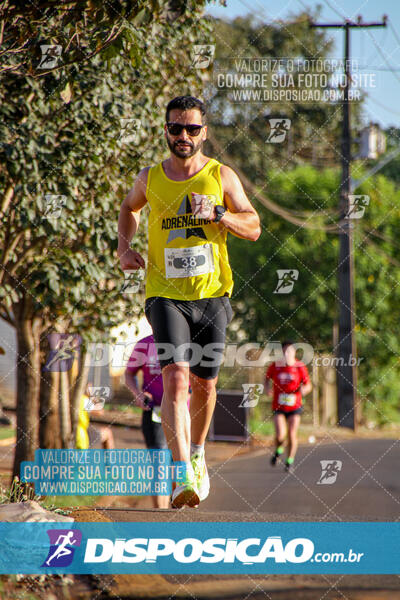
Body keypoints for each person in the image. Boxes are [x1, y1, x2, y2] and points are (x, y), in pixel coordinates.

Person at [118, 95, 260, 508]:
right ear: (165, 130)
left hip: (213, 295)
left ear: (204, 132)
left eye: (192, 129)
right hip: (164, 294)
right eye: (176, 128)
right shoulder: (150, 178)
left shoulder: (221, 175)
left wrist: (219, 215)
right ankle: (181, 476)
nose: (183, 135)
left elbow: (252, 227)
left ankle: (197, 454)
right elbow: (129, 208)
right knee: (176, 377)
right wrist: (124, 249)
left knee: (205, 383)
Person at [125, 333, 190, 509]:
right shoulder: (144, 344)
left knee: (179, 464)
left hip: (182, 415)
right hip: (154, 411)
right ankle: (160, 517)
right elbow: (129, 374)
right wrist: (138, 394)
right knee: (159, 466)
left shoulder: (187, 341)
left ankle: (177, 509)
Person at [265, 341, 312, 472]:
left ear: (294, 352)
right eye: (285, 351)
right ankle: (279, 449)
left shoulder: (300, 366)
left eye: (290, 351)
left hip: (295, 406)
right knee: (280, 435)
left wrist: (304, 390)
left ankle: (289, 461)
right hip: (279, 406)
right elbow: (267, 379)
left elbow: (308, 384)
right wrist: (267, 389)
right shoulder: (276, 365)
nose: (287, 354)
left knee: (292, 434)